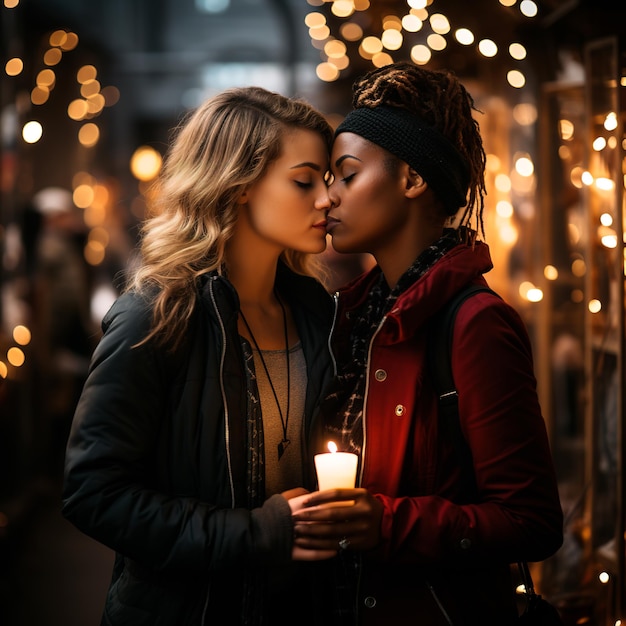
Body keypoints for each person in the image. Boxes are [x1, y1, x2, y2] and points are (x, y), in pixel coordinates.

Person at [291, 62, 564, 625]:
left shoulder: (475, 324)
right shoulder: (348, 314)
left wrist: (385, 524)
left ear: (412, 179)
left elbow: (531, 521)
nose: (328, 197)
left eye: (345, 175)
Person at [61, 86, 338, 625]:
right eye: (304, 181)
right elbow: (93, 493)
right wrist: (258, 533)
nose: (325, 199)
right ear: (237, 185)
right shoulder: (157, 317)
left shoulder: (319, 316)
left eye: (327, 180)